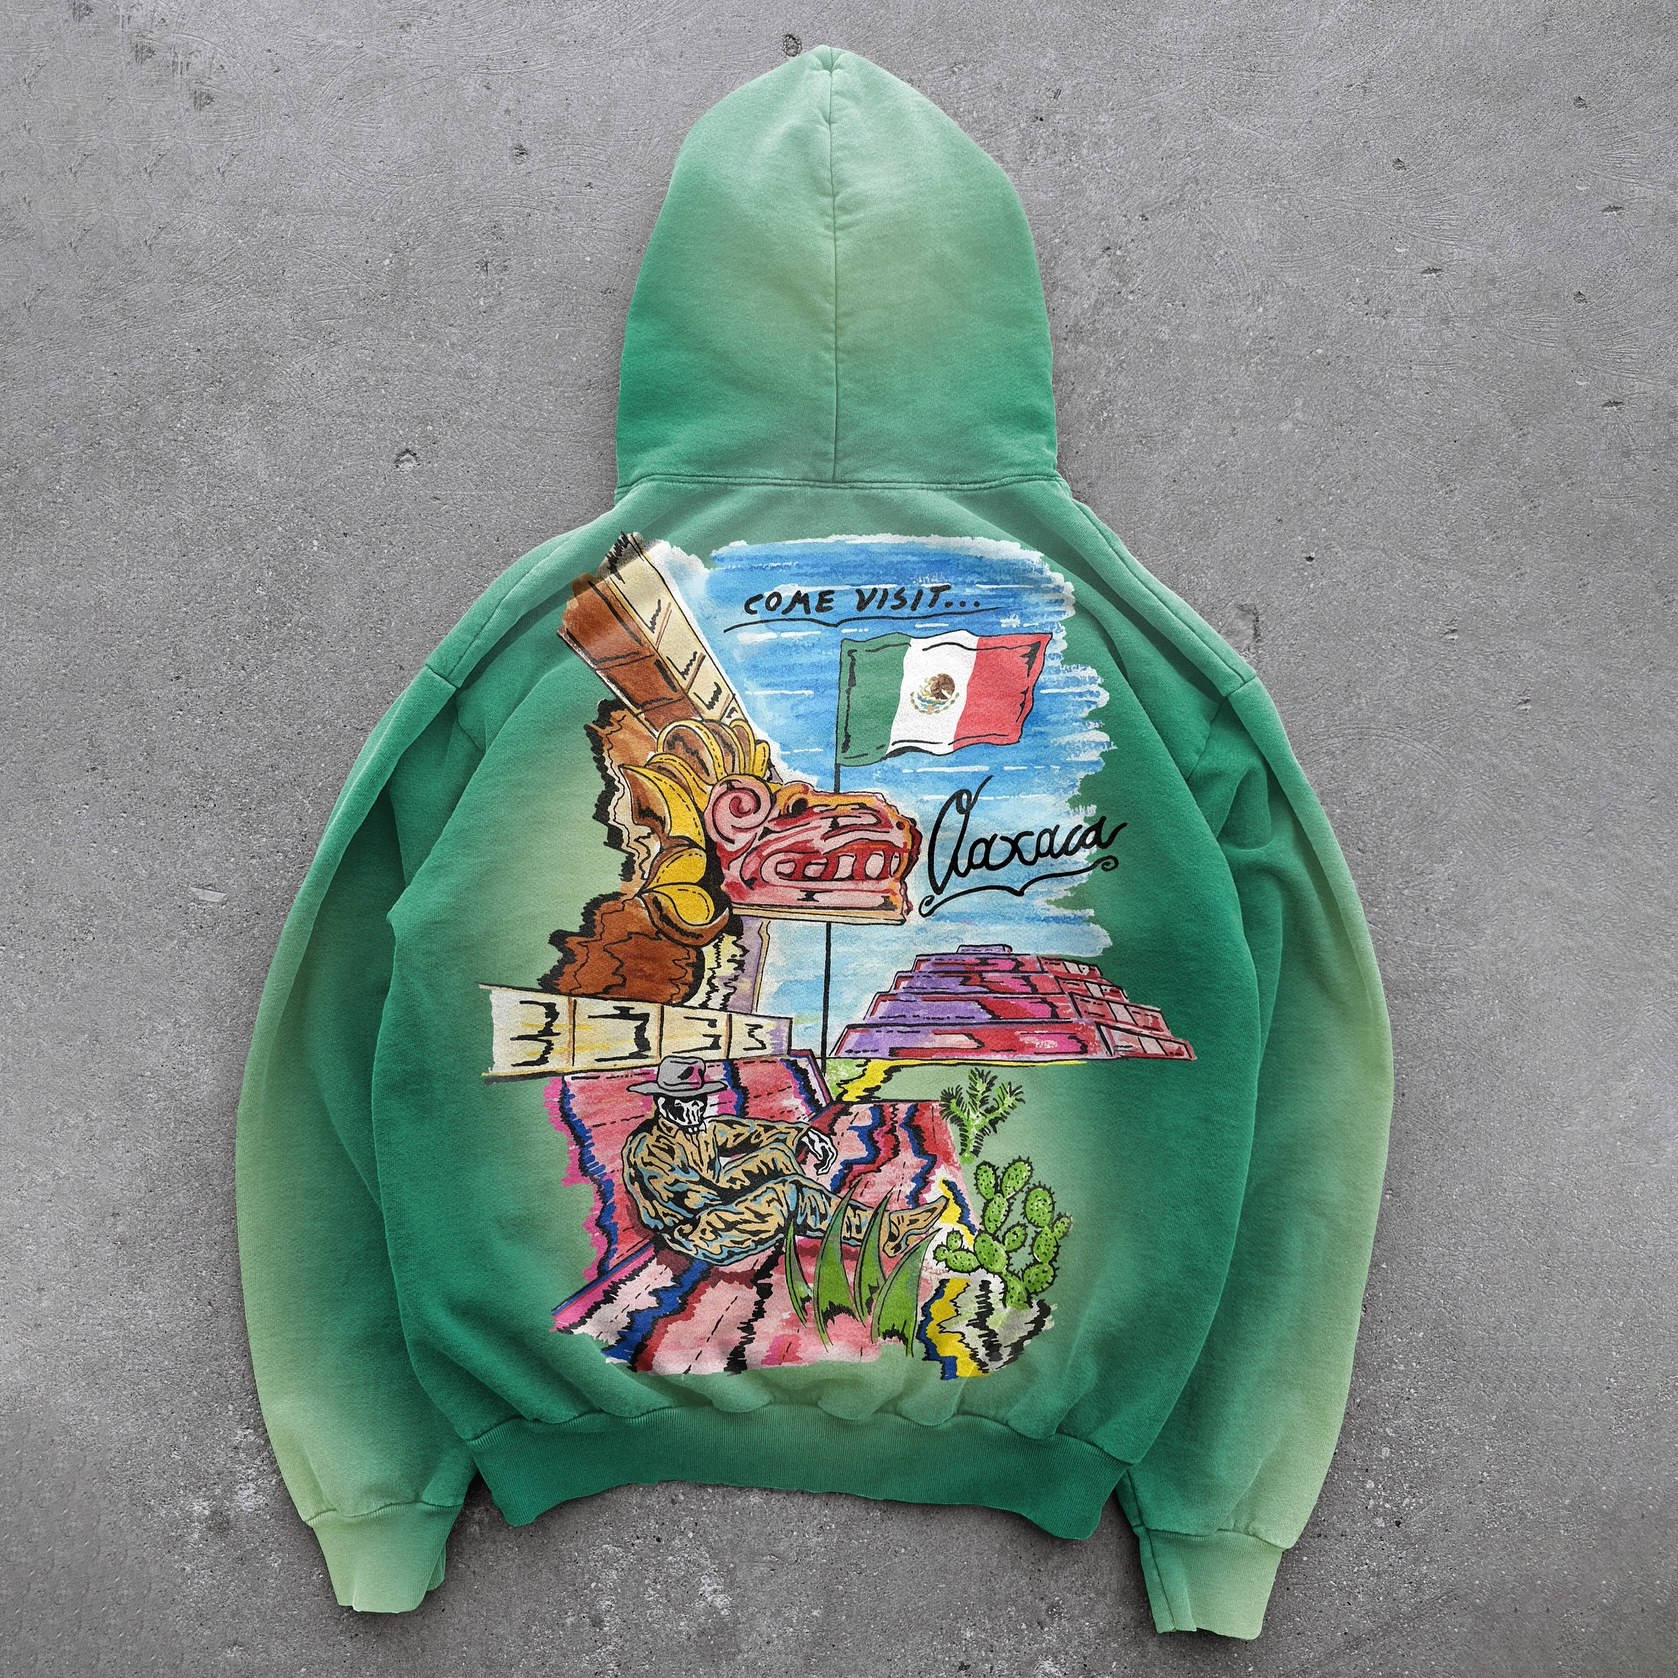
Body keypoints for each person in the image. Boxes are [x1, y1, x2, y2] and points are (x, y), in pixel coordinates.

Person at [620, 1055, 942, 1266]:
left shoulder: (698, 1129)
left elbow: (750, 1132)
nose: (693, 1109)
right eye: (682, 1102)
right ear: (662, 1102)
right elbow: (694, 1201)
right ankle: (885, 1229)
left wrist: (803, 1134)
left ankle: (813, 1212)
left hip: (716, 1206)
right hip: (698, 1232)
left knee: (775, 1156)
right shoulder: (648, 1149)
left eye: (697, 1100)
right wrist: (773, 1190)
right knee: (789, 1195)